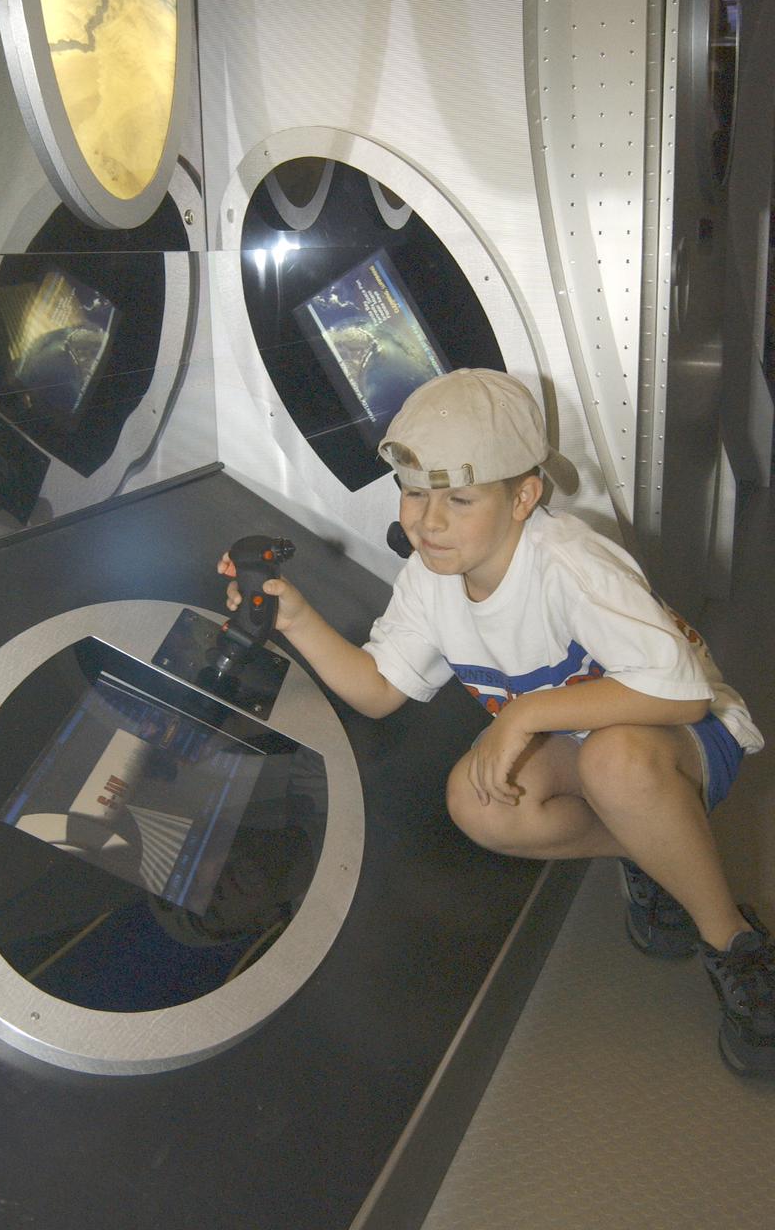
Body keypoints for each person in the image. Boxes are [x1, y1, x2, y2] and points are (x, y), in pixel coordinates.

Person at [219, 368, 774, 1077]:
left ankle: (732, 939)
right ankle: (655, 847)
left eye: (459, 499)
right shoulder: (431, 577)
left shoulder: (569, 564)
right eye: (413, 493)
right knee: (478, 801)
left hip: (690, 736)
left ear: (524, 497)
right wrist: (295, 617)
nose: (428, 521)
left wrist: (527, 714)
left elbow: (683, 697)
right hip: (583, 746)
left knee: (617, 762)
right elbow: (380, 689)